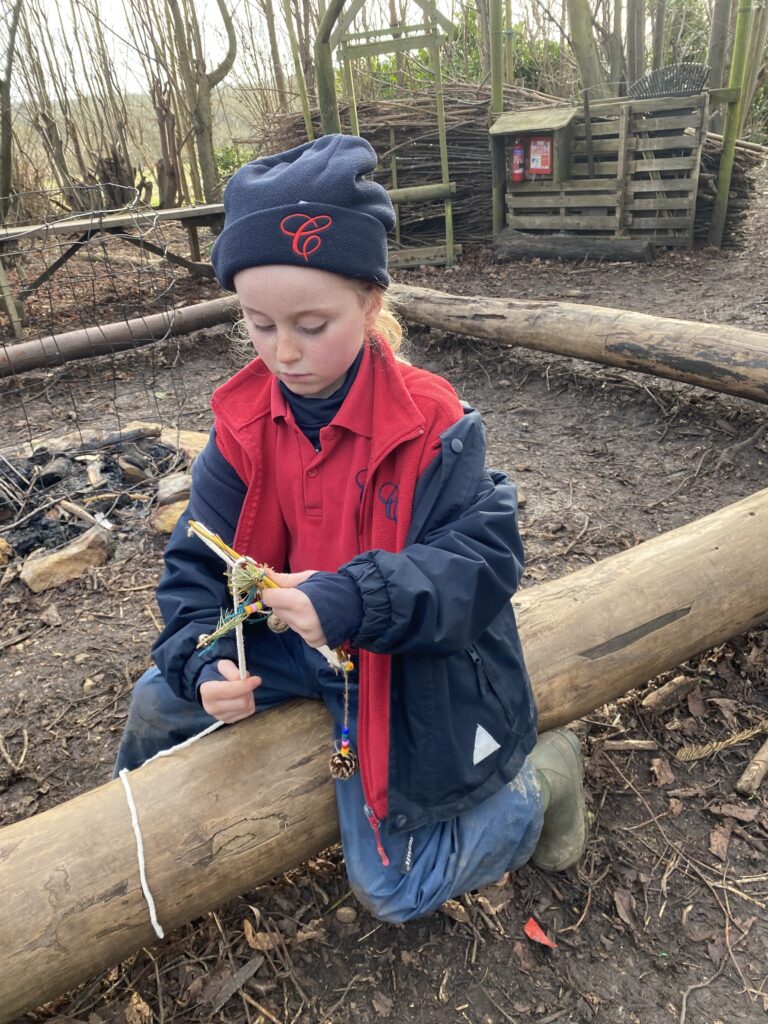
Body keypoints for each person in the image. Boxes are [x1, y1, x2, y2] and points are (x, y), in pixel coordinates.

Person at [115, 134, 587, 922]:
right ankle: (138, 864)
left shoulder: (431, 422)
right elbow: (195, 569)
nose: (285, 352)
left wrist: (348, 599)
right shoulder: (241, 425)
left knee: (391, 887)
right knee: (155, 706)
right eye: (260, 326)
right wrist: (201, 664)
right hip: (286, 648)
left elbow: (482, 562)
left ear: (370, 304)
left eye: (311, 322)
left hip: (396, 661)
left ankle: (545, 780)